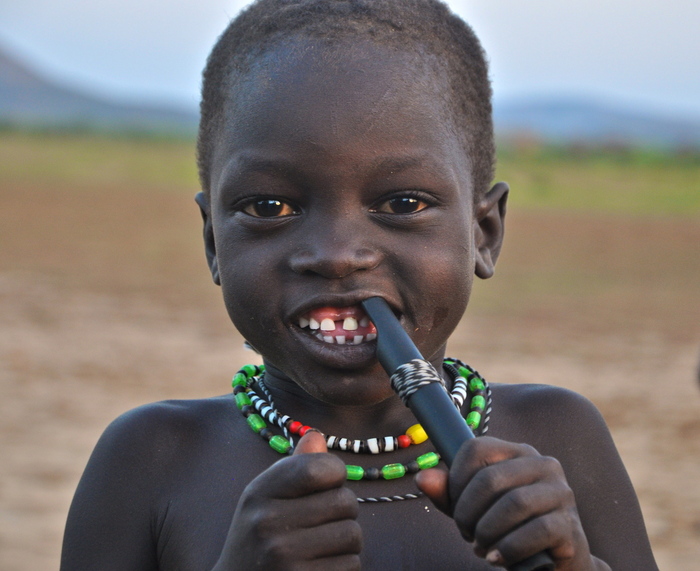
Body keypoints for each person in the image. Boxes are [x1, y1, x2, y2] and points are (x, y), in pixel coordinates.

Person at [60, 1, 658, 569]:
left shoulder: (561, 436)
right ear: (215, 242)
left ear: (483, 233)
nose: (338, 256)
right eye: (270, 206)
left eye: (403, 202)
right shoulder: (152, 458)